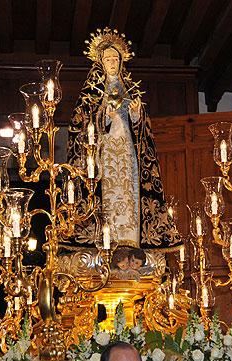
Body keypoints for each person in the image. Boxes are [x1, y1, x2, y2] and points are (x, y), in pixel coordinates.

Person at [65, 28, 181, 252]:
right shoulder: (90, 94)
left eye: (115, 58)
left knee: (128, 188)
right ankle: (106, 239)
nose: (112, 62)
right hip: (103, 152)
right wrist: (101, 118)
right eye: (107, 58)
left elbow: (143, 132)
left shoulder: (128, 89)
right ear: (100, 61)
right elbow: (77, 124)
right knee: (104, 190)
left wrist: (137, 115)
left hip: (127, 150)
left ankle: (130, 239)